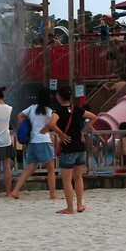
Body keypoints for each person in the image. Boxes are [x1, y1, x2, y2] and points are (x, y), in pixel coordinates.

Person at [53, 85, 96, 213]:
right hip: (80, 146)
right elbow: (94, 117)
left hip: (68, 146)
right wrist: (82, 131)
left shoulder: (58, 111)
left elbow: (51, 124)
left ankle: (70, 208)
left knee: (67, 180)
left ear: (60, 97)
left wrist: (61, 134)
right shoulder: (77, 109)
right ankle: (79, 205)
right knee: (78, 177)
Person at [10, 88, 58, 199]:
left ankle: (16, 190)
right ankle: (53, 194)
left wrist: (27, 125)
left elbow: (19, 116)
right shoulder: (49, 111)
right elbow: (52, 124)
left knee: (30, 168)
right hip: (43, 141)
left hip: (32, 141)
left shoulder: (32, 108)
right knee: (51, 169)